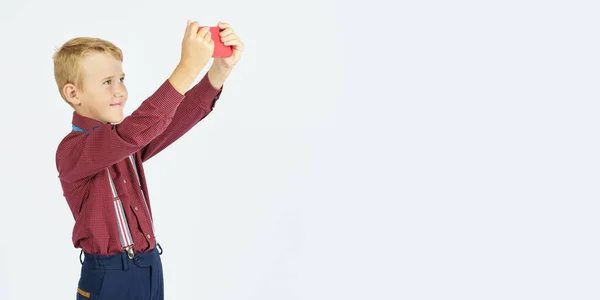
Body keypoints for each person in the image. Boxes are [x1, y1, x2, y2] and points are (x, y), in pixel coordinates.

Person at [53, 20, 244, 299]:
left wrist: (219, 71)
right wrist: (187, 67)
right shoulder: (74, 150)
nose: (119, 90)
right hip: (109, 277)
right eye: (107, 82)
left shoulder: (126, 142)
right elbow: (139, 128)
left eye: (121, 79)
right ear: (73, 93)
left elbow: (170, 121)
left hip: (150, 266)